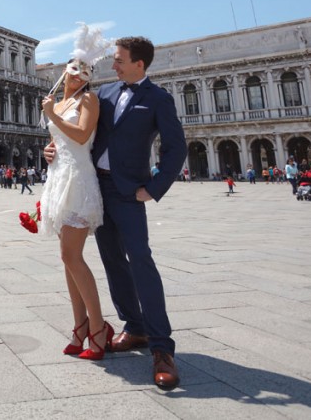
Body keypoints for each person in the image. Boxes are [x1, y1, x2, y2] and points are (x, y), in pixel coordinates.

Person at [50, 36, 187, 390]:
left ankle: (162, 348)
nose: (113, 65)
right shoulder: (106, 94)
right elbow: (82, 134)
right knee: (112, 260)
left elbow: (176, 148)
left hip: (129, 192)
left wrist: (153, 188)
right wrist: (53, 150)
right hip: (97, 187)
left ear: (139, 64)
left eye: (120, 60)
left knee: (140, 260)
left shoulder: (158, 99)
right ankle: (134, 326)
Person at [40, 47, 108, 361]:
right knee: (67, 259)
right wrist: (48, 150)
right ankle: (80, 327)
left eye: (84, 71)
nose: (77, 75)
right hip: (57, 179)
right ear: (64, 72)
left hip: (78, 179)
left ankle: (98, 328)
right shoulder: (59, 102)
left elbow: (82, 136)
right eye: (73, 69)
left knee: (71, 255)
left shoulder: (88, 100)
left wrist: (52, 116)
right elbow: (61, 140)